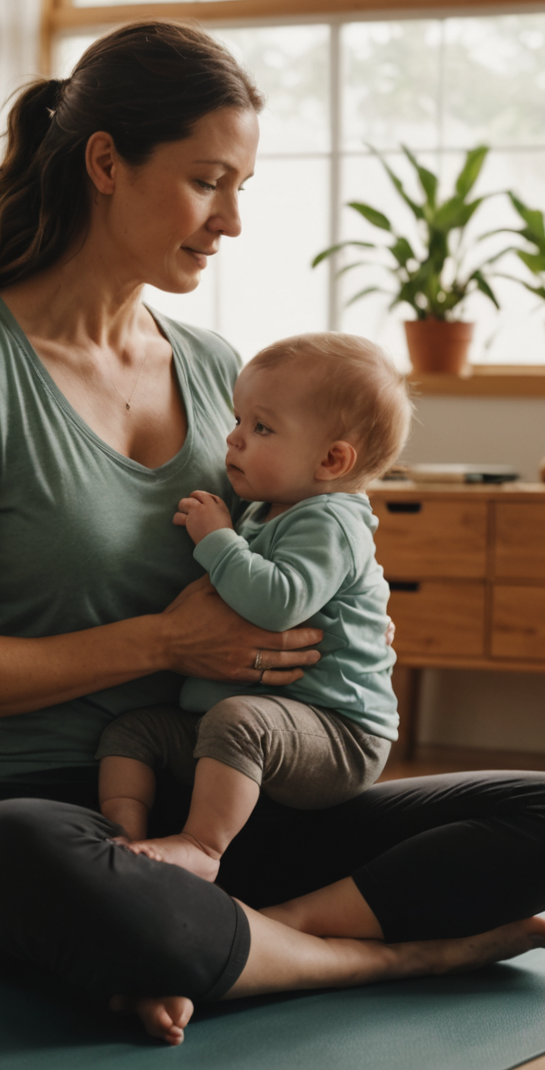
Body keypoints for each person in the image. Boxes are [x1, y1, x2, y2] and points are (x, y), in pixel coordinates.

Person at [0, 20, 545, 1048]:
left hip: (229, 802)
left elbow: (314, 553)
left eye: (241, 188)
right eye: (209, 181)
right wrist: (165, 645)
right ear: (104, 163)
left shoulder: (227, 371)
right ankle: (389, 957)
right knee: (22, 865)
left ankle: (223, 945)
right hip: (42, 808)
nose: (230, 222)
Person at [97, 333, 408, 882]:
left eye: (261, 428)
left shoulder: (330, 519)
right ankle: (124, 840)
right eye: (238, 420)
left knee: (238, 721)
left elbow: (277, 602)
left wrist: (216, 539)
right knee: (133, 732)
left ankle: (201, 846)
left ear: (332, 459)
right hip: (256, 729)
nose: (234, 439)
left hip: (338, 735)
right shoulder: (270, 507)